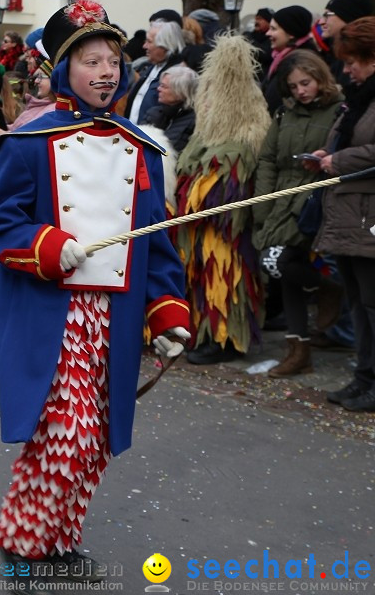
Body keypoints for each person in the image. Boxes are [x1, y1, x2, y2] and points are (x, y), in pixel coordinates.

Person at [0, 0, 189, 573]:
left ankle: (51, 534)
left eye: (113, 60)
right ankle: (27, 540)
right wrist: (48, 245)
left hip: (114, 319)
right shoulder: (27, 144)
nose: (105, 72)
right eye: (91, 60)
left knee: (91, 439)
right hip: (56, 312)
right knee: (63, 433)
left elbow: (158, 242)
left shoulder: (140, 148)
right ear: (65, 69)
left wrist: (167, 313)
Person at [176, 35, 270, 365]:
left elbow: (241, 171)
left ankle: (223, 336)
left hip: (225, 224)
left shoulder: (246, 126)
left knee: (224, 275)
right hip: (196, 221)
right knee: (200, 273)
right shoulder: (206, 128)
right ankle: (202, 331)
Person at [252, 50, 344, 377]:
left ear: (320, 77)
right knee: (284, 268)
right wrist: (263, 203)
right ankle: (298, 349)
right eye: (293, 87)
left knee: (277, 261)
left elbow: (343, 155)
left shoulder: (340, 111)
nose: (300, 91)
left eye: (305, 82)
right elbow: (268, 160)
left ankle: (328, 287)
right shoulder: (283, 115)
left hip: (317, 201)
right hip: (283, 200)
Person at [309, 16, 375, 412]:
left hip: (369, 215)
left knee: (373, 303)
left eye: (354, 60)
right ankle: (364, 376)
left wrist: (341, 160)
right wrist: (325, 156)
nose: (347, 68)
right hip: (350, 212)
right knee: (358, 302)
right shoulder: (360, 95)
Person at [126, 19, 185, 124]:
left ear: (165, 46)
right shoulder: (150, 69)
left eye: (149, 42)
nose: (144, 46)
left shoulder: (177, 75)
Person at [263, 5, 317, 115]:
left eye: (273, 29)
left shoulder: (301, 62)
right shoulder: (282, 58)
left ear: (291, 33)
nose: (267, 33)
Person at [140, 63, 198, 153]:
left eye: (164, 86)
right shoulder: (152, 113)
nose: (158, 89)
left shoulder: (195, 121)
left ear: (180, 92)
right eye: (160, 85)